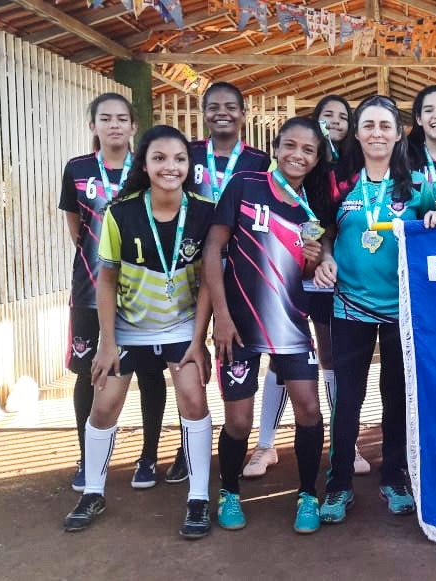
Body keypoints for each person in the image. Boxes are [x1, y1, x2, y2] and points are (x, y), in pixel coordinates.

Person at [63, 125, 216, 539]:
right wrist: (107, 342)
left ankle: (199, 497)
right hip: (129, 327)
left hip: (181, 323)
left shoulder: (204, 211)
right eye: (161, 158)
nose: (171, 166)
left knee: (193, 398)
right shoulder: (121, 211)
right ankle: (92, 492)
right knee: (105, 405)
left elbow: (207, 283)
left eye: (180, 159)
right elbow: (107, 280)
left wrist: (199, 340)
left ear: (189, 165)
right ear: (145, 164)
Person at [312, 95, 436, 524]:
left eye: (385, 125)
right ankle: (339, 483)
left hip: (402, 309)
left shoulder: (420, 185)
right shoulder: (339, 181)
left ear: (399, 131)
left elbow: (435, 237)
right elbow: (324, 231)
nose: (377, 133)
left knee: (397, 397)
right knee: (348, 399)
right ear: (358, 131)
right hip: (349, 305)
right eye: (368, 125)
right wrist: (326, 257)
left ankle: (394, 476)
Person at [204, 117, 334, 534]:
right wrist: (220, 317)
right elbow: (213, 248)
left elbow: (305, 272)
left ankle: (308, 497)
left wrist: (315, 258)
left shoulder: (309, 210)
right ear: (276, 147)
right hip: (238, 325)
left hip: (291, 324)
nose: (298, 154)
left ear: (316, 159)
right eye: (291, 145)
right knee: (239, 422)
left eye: (308, 150)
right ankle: (228, 492)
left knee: (310, 410)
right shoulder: (246, 185)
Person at [244, 95, 372, 479]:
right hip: (282, 285)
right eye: (327, 115)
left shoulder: (348, 170)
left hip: (323, 280)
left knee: (331, 356)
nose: (335, 121)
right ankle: (265, 445)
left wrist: (324, 256)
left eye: (342, 116)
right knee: (280, 362)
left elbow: (331, 227)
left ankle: (343, 442)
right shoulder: (277, 178)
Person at [58, 93, 170, 492]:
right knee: (91, 374)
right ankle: (88, 458)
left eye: (122, 118)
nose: (114, 125)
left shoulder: (146, 168)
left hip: (142, 293)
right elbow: (77, 229)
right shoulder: (77, 169)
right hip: (90, 289)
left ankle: (149, 457)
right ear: (93, 126)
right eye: (105, 118)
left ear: (133, 125)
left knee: (150, 372)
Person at [166, 81, 271, 485]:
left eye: (230, 107)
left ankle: (248, 443)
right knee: (186, 356)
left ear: (244, 114)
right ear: (203, 112)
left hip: (242, 272)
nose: (222, 113)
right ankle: (186, 445)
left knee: (232, 353)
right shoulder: (187, 155)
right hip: (187, 268)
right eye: (213, 107)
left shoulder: (260, 161)